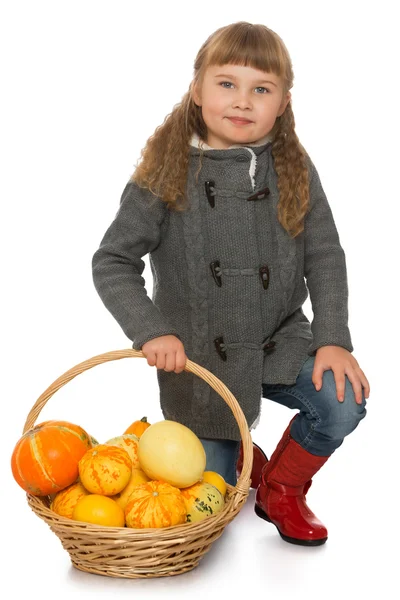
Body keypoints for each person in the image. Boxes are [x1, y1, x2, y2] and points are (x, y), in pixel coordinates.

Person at [92, 21, 370, 546]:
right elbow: (112, 260)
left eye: (260, 89)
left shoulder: (294, 169)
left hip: (277, 340)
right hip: (200, 358)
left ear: (283, 102)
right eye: (227, 84)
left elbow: (325, 254)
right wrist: (151, 331)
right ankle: (240, 457)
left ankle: (282, 489)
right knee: (208, 505)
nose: (242, 102)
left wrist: (333, 337)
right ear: (197, 90)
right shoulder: (166, 172)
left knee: (342, 401)